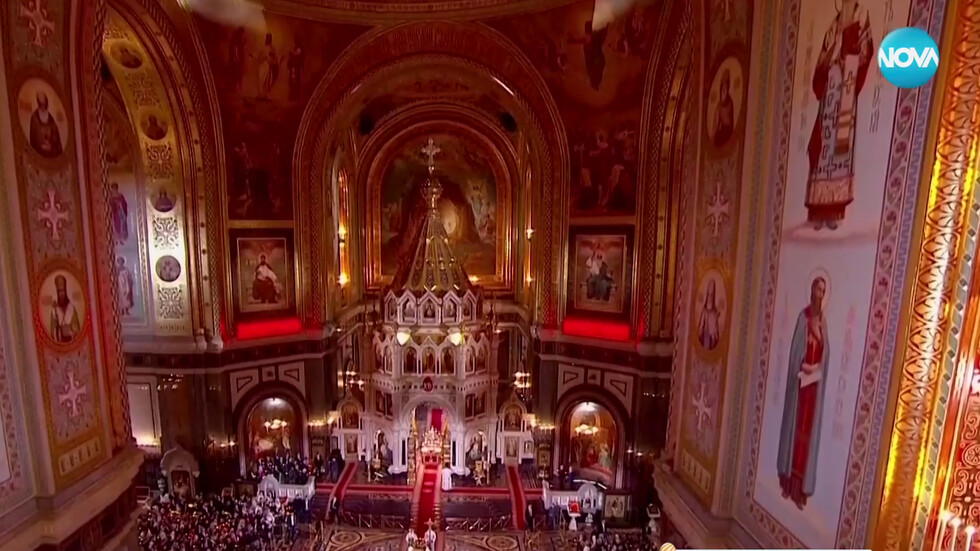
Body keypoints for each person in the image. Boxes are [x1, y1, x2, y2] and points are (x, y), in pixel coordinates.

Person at [29, 91, 62, 158]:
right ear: (38, 103)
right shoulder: (34, 118)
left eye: (44, 104)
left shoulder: (51, 119)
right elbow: (33, 139)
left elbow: (56, 139)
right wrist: (41, 146)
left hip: (50, 153)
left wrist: (51, 145)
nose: (43, 106)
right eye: (41, 104)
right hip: (39, 153)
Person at [49, 275, 80, 343]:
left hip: (71, 341)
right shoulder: (54, 311)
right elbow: (52, 332)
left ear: (65, 292)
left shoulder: (71, 308)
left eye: (63, 291)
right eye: (59, 292)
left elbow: (77, 328)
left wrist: (70, 331)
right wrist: (59, 331)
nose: (61, 294)